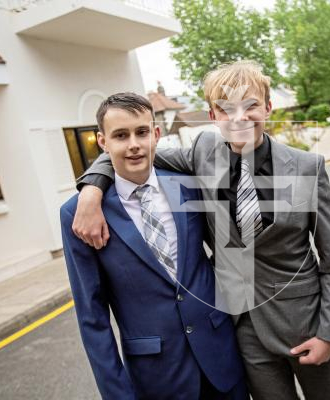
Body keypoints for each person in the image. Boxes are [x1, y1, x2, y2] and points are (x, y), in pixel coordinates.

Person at [74, 61, 330, 400]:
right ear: (213, 114)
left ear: (268, 107)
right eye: (226, 108)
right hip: (246, 334)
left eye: (250, 105)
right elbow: (133, 148)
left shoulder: (308, 167)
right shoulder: (204, 154)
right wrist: (91, 189)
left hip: (307, 325)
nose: (239, 117)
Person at [60, 92, 247, 399]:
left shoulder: (188, 185)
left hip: (223, 362)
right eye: (120, 135)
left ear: (156, 134)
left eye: (141, 132)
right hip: (159, 379)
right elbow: (92, 318)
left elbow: (232, 257)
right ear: (102, 143)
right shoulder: (77, 215)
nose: (133, 144)